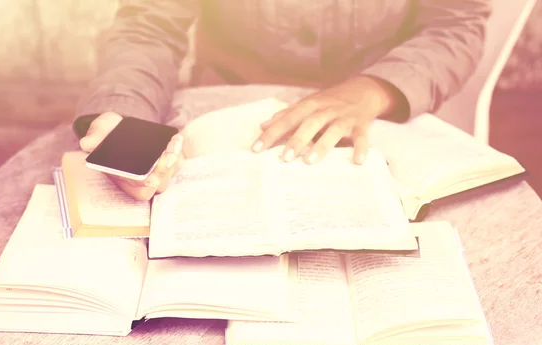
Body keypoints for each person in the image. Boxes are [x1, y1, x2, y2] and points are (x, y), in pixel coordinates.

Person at [73, 0, 491, 201]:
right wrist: (126, 119)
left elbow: (457, 24)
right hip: (221, 120)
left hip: (376, 117)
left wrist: (373, 89)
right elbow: (150, 23)